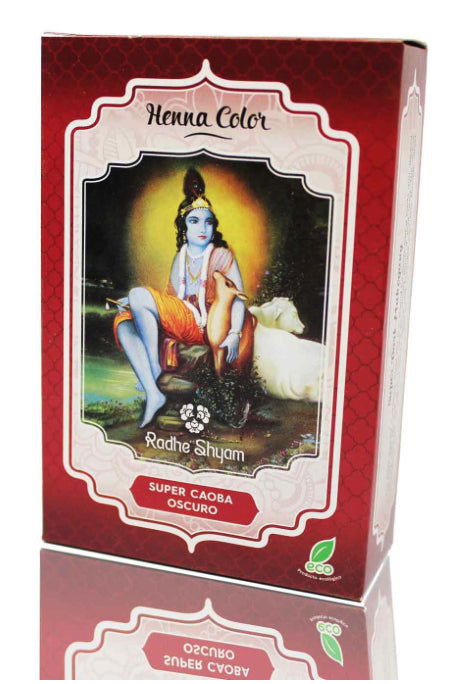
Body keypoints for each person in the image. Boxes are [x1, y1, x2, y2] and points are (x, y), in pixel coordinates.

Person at [114, 168, 247, 428]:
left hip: (207, 326)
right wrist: (134, 303)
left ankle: (154, 371)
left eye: (208, 222)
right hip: (181, 320)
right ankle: (153, 392)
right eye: (194, 221)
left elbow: (239, 299)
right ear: (183, 226)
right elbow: (170, 300)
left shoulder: (222, 255)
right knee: (123, 321)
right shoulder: (181, 257)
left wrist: (235, 333)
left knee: (137, 294)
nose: (203, 228)